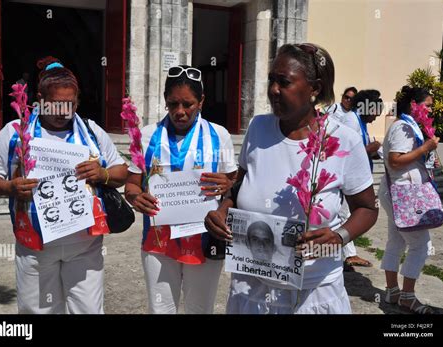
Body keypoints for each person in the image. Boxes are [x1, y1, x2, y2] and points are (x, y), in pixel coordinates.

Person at [205, 43, 378, 314]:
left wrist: (339, 236)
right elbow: (240, 185)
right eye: (272, 80)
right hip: (253, 287)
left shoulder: (344, 140)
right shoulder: (258, 127)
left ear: (315, 88)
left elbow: (367, 208)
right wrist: (222, 209)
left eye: (284, 82)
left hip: (313, 291)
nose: (274, 89)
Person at [0, 56, 128, 314]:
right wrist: (8, 188)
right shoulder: (15, 132)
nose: (63, 113)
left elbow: (122, 171)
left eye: (70, 105)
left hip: (85, 247)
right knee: (38, 312)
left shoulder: (91, 132)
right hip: (36, 247)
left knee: (88, 310)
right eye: (56, 105)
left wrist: (102, 173)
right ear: (39, 99)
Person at [124, 65, 237, 314]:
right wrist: (135, 197)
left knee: (200, 309)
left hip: (205, 237)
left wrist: (228, 184)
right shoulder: (147, 136)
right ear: (165, 101)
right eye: (173, 104)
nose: (180, 112)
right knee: (161, 309)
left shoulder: (219, 135)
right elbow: (132, 184)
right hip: (158, 240)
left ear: (202, 101)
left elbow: (233, 185)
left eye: (188, 104)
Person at [379, 86, 440, 314]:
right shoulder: (403, 127)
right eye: (428, 105)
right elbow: (395, 161)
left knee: (396, 240)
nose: (431, 110)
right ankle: (407, 296)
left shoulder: (406, 126)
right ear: (414, 104)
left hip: (399, 193)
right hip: (403, 194)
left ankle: (393, 291)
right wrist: (426, 147)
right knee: (421, 245)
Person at [328, 86, 373, 269]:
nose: (348, 101)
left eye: (351, 99)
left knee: (344, 214)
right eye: (346, 97)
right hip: (343, 172)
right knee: (344, 214)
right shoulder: (349, 119)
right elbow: (348, 150)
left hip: (353, 174)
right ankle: (347, 254)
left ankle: (346, 253)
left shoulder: (357, 120)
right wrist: (371, 148)